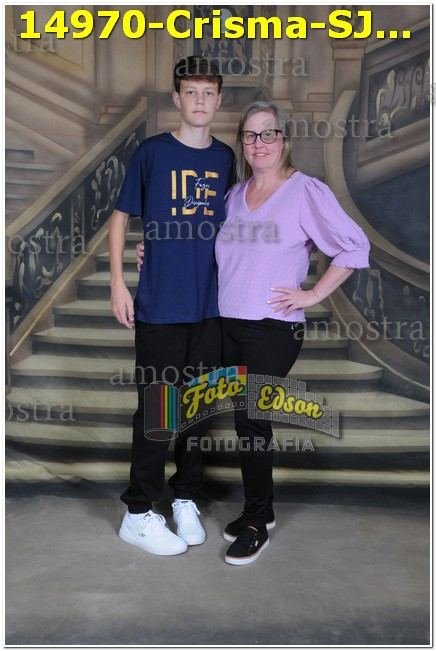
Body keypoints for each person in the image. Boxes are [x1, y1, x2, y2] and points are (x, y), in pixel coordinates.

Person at [137, 100, 370, 566]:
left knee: (251, 420)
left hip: (273, 330)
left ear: (284, 140)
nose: (258, 143)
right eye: (249, 135)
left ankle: (257, 521)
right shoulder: (233, 195)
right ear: (242, 143)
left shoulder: (306, 191)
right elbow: (200, 241)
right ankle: (238, 507)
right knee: (201, 407)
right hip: (225, 325)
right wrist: (153, 250)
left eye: (268, 134)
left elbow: (353, 246)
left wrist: (312, 294)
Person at [109, 56, 234, 556]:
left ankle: (184, 498)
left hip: (211, 308)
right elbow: (121, 217)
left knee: (199, 411)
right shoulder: (153, 153)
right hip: (160, 306)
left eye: (208, 92)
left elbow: (235, 226)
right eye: (191, 92)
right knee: (160, 410)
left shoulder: (225, 158)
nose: (200, 100)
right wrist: (118, 282)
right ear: (177, 99)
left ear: (219, 100)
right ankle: (138, 511)